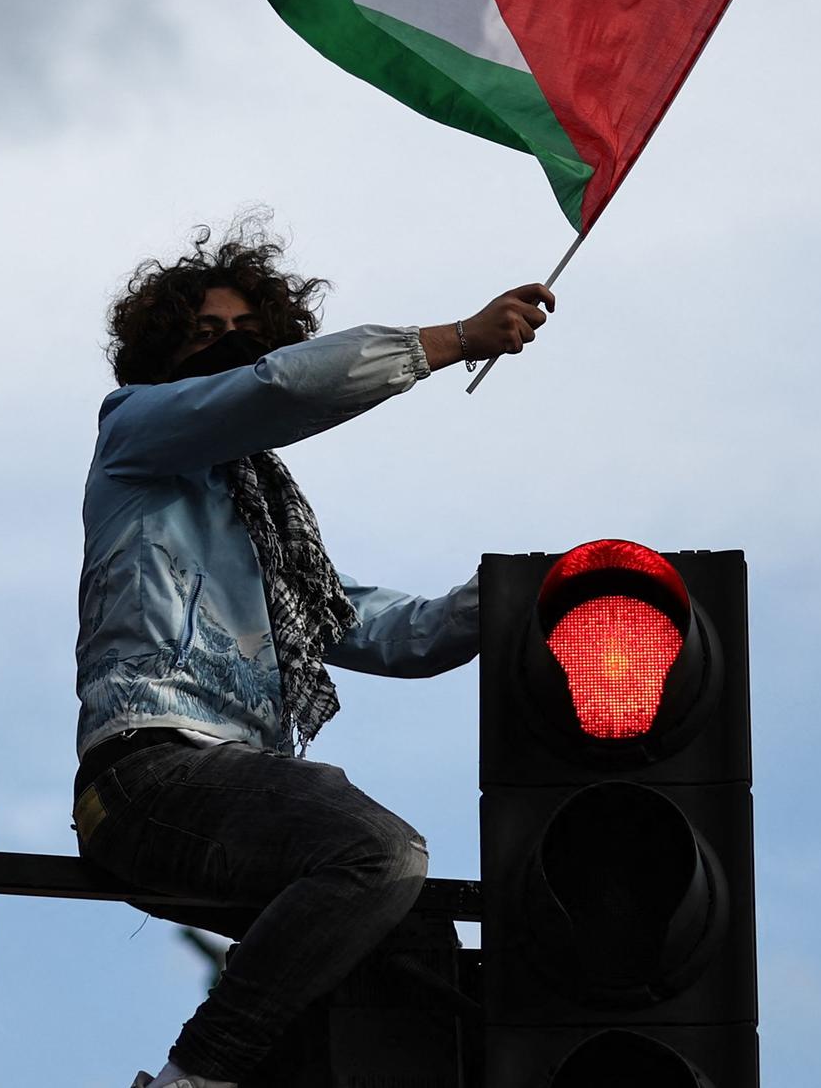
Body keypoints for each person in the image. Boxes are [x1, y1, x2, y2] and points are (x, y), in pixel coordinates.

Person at [69, 223, 553, 1088]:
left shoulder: (271, 535)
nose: (228, 349)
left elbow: (392, 630)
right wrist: (452, 341)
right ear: (160, 353)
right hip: (147, 776)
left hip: (227, 794)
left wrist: (529, 593)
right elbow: (273, 391)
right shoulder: (136, 435)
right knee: (377, 852)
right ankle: (192, 1080)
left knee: (405, 949)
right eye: (204, 333)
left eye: (246, 332)